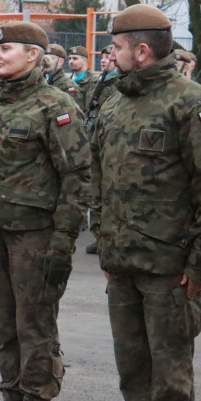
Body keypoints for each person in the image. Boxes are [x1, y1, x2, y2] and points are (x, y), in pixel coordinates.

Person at [91, 4, 201, 401]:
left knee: (170, 367)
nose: (110, 54)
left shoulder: (190, 102)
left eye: (115, 47)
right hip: (123, 261)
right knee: (133, 363)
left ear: (141, 50)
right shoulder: (114, 101)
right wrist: (105, 245)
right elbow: (100, 179)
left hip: (169, 266)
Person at [0, 22, 91, 401]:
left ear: (34, 55)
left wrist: (63, 244)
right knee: (6, 327)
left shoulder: (55, 106)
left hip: (34, 238)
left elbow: (77, 178)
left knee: (34, 328)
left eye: (6, 50)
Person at [83, 45, 120, 256]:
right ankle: (100, 236)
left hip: (108, 139)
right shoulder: (99, 81)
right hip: (92, 137)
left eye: (109, 56)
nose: (105, 60)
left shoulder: (117, 84)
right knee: (95, 189)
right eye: (103, 56)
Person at [66, 46, 97, 110]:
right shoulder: (67, 80)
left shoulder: (94, 80)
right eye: (69, 59)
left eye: (75, 58)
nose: (71, 61)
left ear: (85, 61)